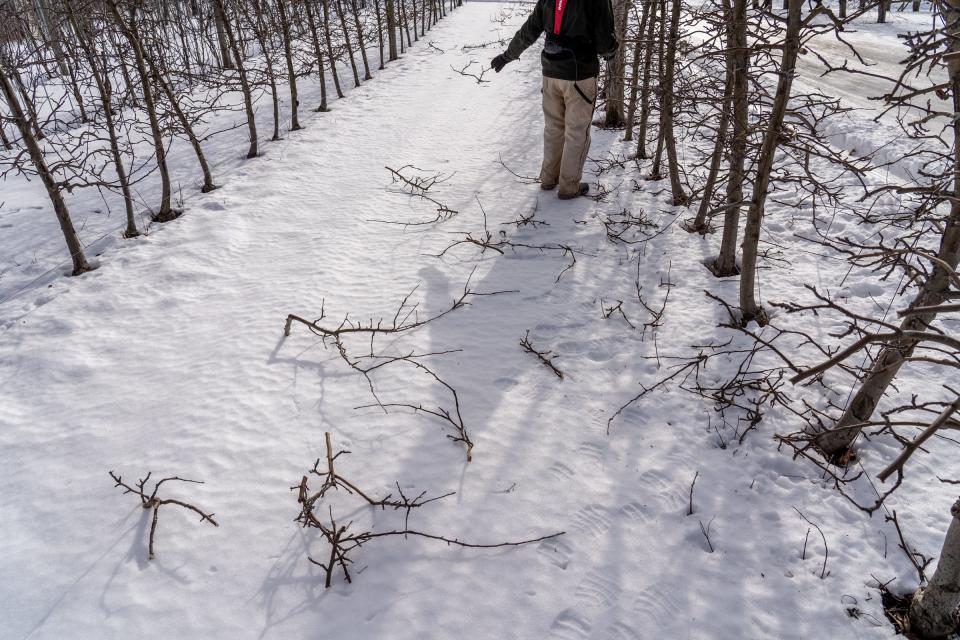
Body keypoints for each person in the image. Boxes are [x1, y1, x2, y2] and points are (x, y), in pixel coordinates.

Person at [491, 0, 619, 200]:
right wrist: (611, 52)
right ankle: (569, 186)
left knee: (553, 128)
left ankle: (549, 178)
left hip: (550, 74)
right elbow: (604, 41)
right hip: (579, 75)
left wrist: (507, 56)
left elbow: (530, 29)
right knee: (576, 132)